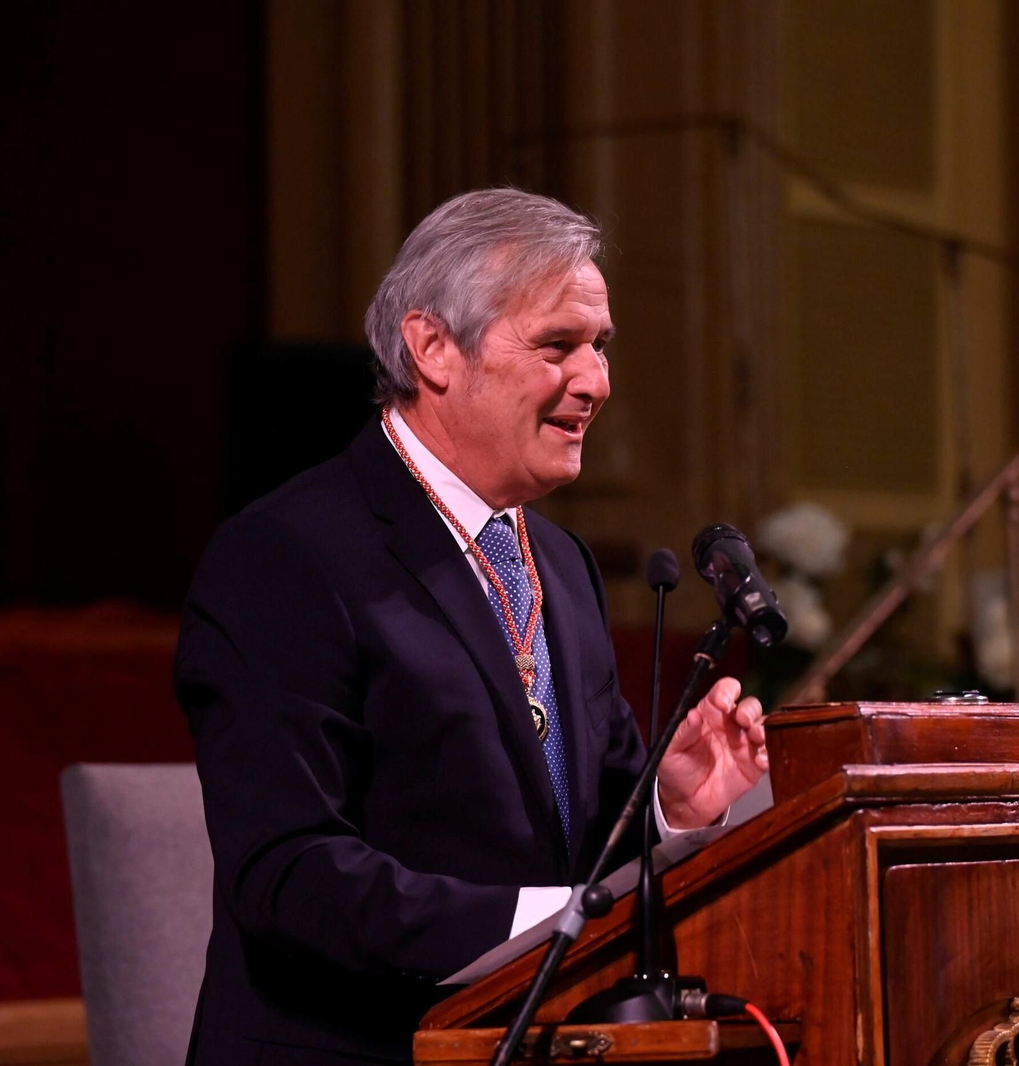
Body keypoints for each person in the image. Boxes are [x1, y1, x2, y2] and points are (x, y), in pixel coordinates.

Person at [174, 188, 769, 1065]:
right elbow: (291, 875)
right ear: (434, 349)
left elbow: (582, 836)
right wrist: (557, 920)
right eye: (558, 345)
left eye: (599, 347)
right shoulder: (285, 555)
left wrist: (673, 812)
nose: (596, 382)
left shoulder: (560, 563)